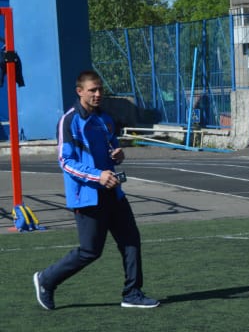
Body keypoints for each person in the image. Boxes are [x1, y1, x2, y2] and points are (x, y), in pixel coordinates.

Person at [33, 70, 159, 311]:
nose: (98, 94)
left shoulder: (105, 119)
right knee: (90, 251)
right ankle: (46, 280)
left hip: (114, 193)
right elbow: (65, 161)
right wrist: (97, 176)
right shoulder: (69, 121)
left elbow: (112, 149)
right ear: (79, 91)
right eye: (92, 90)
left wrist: (118, 155)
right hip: (87, 196)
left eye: (100, 89)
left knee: (131, 240)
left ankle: (132, 293)